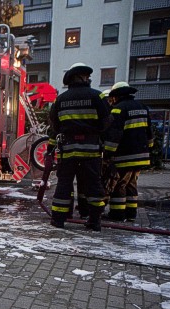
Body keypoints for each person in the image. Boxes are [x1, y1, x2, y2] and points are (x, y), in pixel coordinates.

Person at [47, 63, 111, 231]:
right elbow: (107, 122)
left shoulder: (61, 99)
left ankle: (58, 220)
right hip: (91, 150)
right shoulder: (97, 97)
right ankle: (94, 221)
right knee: (93, 185)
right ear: (80, 77)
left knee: (64, 185)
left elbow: (54, 125)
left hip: (68, 150)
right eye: (86, 76)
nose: (88, 79)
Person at [103, 81, 153, 222]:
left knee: (119, 184)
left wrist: (108, 152)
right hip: (142, 155)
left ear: (118, 96)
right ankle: (131, 213)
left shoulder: (118, 109)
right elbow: (149, 132)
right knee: (132, 184)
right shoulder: (142, 107)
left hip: (124, 156)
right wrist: (149, 147)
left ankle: (117, 214)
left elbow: (115, 135)